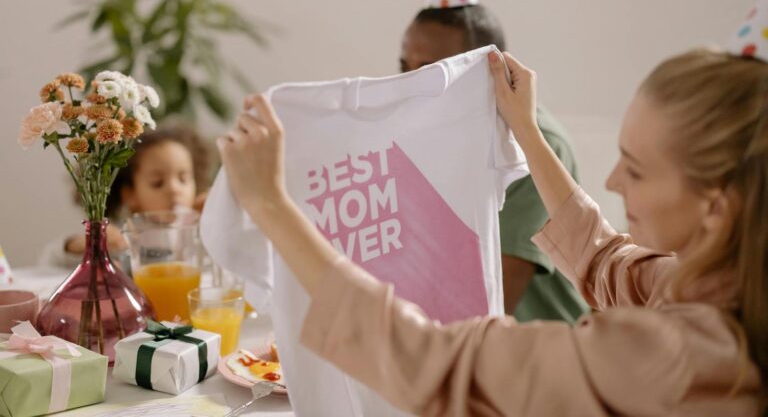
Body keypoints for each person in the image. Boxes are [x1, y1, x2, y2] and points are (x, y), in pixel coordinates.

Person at [216, 44, 766, 415]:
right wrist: (525, 130)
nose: (614, 179)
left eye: (637, 169)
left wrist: (273, 206)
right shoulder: (730, 287)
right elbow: (609, 262)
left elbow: (438, 362)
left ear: (717, 208)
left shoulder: (676, 357)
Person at [400, 0, 588, 321]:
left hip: (541, 353)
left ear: (489, 68)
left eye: (430, 70)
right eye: (405, 66)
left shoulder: (538, 143)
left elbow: (493, 301)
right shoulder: (420, 136)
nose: (409, 83)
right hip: (454, 343)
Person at [43, 125, 212, 267]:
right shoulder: (121, 236)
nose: (175, 189)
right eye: (157, 182)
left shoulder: (201, 229)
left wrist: (220, 217)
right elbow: (50, 260)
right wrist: (81, 244)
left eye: (183, 179)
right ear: (130, 195)